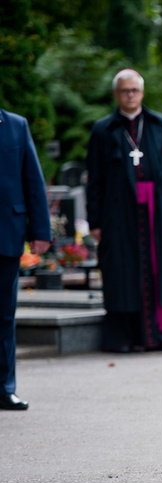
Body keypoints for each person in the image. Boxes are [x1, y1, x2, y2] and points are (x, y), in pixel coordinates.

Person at [86, 69, 162, 353]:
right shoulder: (103, 129)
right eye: (125, 91)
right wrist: (95, 221)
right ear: (116, 94)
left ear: (142, 93)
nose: (130, 95)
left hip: (156, 211)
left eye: (135, 91)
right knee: (122, 272)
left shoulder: (159, 125)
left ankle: (156, 336)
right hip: (118, 214)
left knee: (156, 270)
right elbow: (95, 179)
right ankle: (122, 337)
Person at [0, 108, 52, 411]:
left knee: (4, 316)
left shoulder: (16, 125)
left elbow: (32, 178)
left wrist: (40, 230)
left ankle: (5, 388)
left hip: (6, 234)